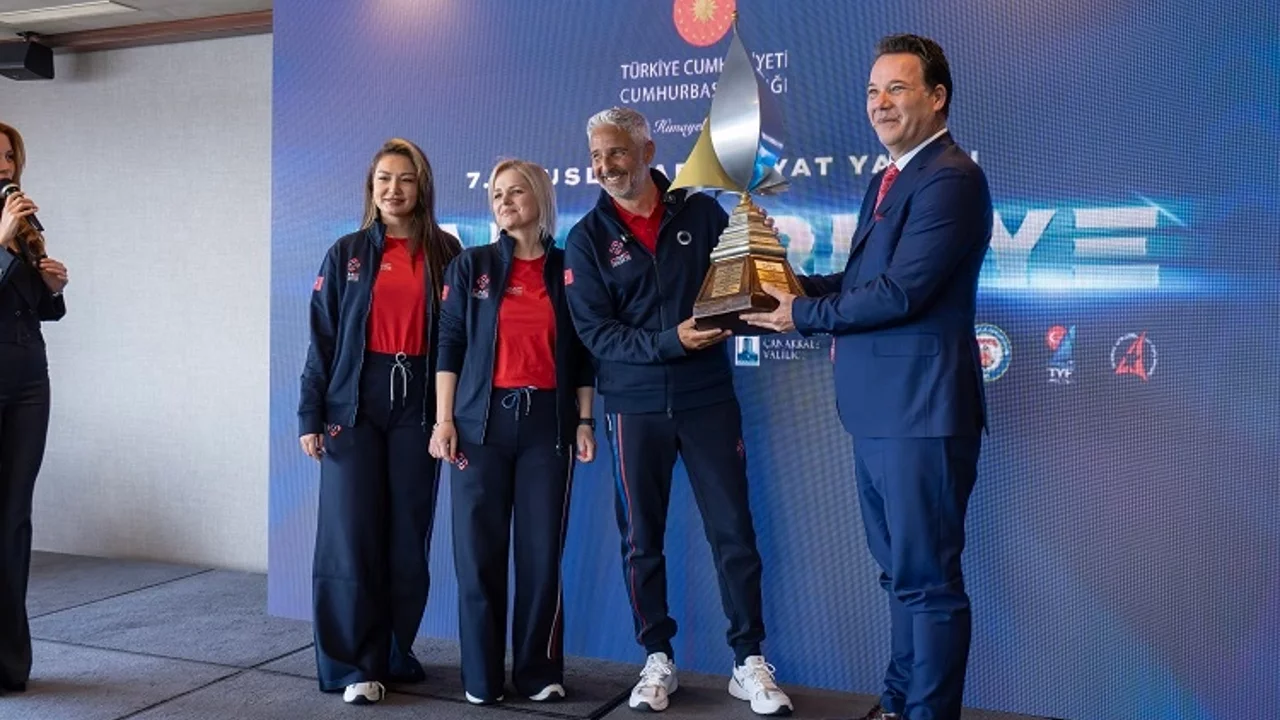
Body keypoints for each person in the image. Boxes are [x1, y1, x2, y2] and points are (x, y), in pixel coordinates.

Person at [742, 34, 992, 720]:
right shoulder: (890, 178)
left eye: (897, 89)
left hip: (921, 414)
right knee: (900, 576)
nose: (880, 103)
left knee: (927, 582)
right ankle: (898, 703)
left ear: (937, 97)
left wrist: (800, 314)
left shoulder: (951, 178)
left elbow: (901, 293)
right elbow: (862, 282)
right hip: (881, 413)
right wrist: (784, 281)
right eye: (873, 91)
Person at [563, 107, 793, 716]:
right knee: (642, 540)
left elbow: (739, 292)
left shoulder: (702, 212)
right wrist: (671, 341)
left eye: (616, 152)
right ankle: (657, 656)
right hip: (633, 407)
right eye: (596, 157)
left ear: (647, 151)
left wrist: (760, 249)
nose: (605, 166)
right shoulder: (586, 238)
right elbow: (596, 333)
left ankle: (748, 660)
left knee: (733, 532)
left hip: (707, 397)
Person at [298, 138, 462, 706]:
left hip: (420, 404)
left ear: (422, 188)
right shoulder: (346, 253)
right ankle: (352, 664)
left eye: (405, 180)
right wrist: (310, 414)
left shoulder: (447, 252)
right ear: (371, 188)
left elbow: (459, 338)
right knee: (350, 537)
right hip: (354, 404)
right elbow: (321, 339)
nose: (394, 190)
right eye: (384, 179)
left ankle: (393, 651)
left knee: (407, 539)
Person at [430, 159, 597, 705]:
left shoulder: (569, 268)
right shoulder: (471, 266)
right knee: (478, 557)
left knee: (540, 555)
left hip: (549, 426)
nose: (504, 201)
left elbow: (583, 353)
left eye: (516, 191)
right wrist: (444, 419)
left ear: (540, 197)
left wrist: (585, 420)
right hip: (479, 427)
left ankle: (538, 672)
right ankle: (481, 678)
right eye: (497, 193)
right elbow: (450, 344)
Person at [0, 121, 69, 696]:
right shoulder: (6, 230)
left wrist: (51, 286)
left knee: (14, 520)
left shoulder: (21, 226)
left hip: (28, 380)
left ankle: (9, 662)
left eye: (8, 157)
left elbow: (34, 310)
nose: (3, 167)